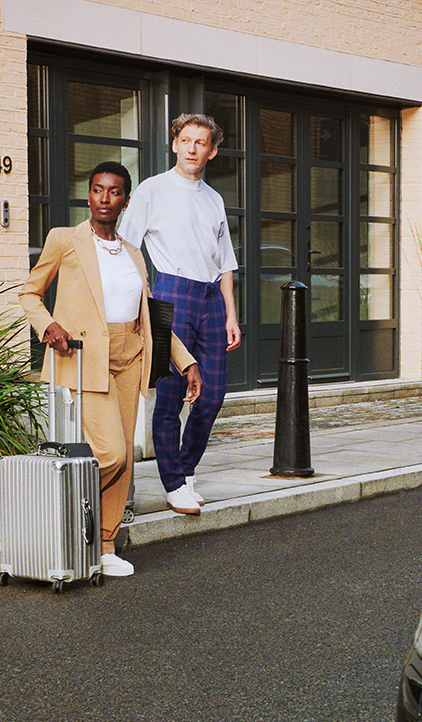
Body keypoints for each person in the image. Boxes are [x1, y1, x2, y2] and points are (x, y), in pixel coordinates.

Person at [19, 161, 201, 577]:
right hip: (85, 360)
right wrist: (48, 324)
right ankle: (59, 510)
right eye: (98, 190)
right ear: (89, 195)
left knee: (127, 460)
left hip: (130, 359)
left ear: (126, 200)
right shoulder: (64, 240)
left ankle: (103, 544)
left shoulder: (134, 252)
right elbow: (30, 293)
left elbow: (149, 319)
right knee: (111, 454)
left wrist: (186, 361)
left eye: (114, 192)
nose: (105, 198)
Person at [120, 113, 240, 515]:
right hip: (170, 294)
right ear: (175, 144)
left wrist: (230, 315)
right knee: (170, 397)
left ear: (212, 151)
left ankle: (185, 469)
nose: (192, 148)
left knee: (213, 394)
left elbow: (225, 263)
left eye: (200, 142)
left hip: (211, 301)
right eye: (185, 140)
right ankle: (174, 484)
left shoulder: (214, 198)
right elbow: (128, 250)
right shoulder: (153, 190)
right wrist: (142, 305)